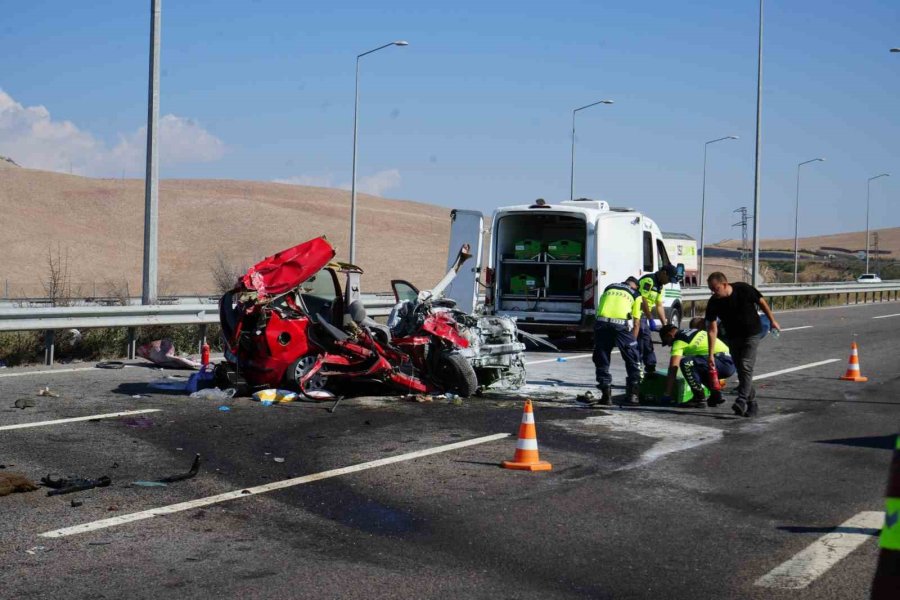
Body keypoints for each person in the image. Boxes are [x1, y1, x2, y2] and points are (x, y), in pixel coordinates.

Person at [705, 272, 780, 417]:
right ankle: (752, 403)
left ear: (725, 284)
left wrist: (772, 320)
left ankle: (741, 400)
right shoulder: (714, 302)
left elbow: (761, 302)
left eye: (715, 288)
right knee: (741, 371)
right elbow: (712, 329)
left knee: (746, 365)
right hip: (733, 337)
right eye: (711, 290)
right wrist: (710, 355)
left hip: (752, 333)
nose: (713, 292)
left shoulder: (743, 289)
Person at [586, 277, 643, 406]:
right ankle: (633, 395)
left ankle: (606, 395)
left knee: (602, 357)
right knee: (632, 358)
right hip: (620, 325)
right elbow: (637, 322)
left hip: (601, 323)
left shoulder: (610, 287)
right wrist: (632, 342)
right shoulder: (636, 294)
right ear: (635, 286)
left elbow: (600, 307)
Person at [659, 324, 736, 408]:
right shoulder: (695, 331)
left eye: (667, 342)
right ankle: (716, 394)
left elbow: (673, 368)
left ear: (670, 335)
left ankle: (699, 398)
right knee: (696, 368)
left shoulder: (679, 341)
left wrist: (667, 394)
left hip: (721, 362)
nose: (669, 345)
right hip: (729, 361)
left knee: (686, 363)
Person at [636, 264, 678, 375]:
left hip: (645, 316)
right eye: (669, 279)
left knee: (647, 342)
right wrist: (650, 319)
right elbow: (642, 300)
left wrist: (665, 325)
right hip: (637, 314)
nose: (668, 282)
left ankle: (650, 368)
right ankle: (638, 368)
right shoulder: (649, 280)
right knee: (641, 342)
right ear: (664, 273)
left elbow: (659, 306)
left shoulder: (660, 286)